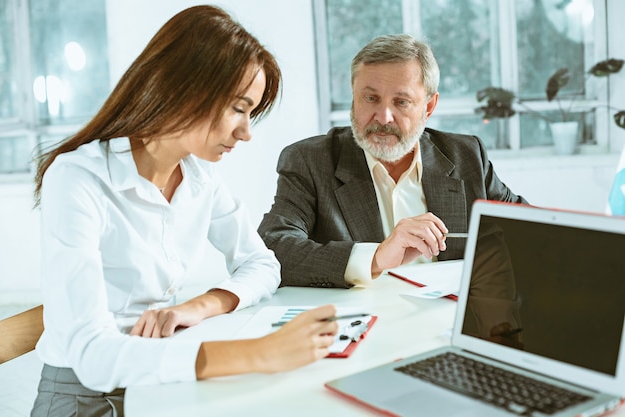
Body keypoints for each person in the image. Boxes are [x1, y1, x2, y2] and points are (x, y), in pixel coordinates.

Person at [30, 6, 337, 416]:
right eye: (239, 108)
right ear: (187, 88)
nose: (246, 132)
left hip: (160, 378)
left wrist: (196, 307)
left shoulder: (198, 177)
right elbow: (92, 354)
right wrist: (258, 353)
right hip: (83, 396)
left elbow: (262, 263)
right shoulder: (78, 179)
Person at [258, 34, 528, 289]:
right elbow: (273, 248)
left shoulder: (466, 155)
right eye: (371, 98)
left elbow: (527, 232)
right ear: (354, 98)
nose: (383, 117)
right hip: (361, 325)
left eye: (401, 102)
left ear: (429, 107)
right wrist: (375, 257)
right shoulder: (310, 160)